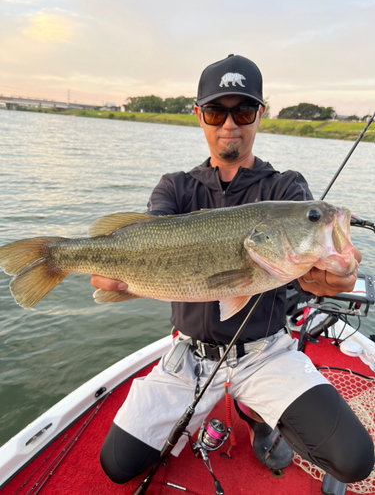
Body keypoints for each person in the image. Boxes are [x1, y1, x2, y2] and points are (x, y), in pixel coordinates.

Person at [92, 55, 374, 485]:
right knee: (117, 464)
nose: (229, 124)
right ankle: (195, 413)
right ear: (199, 115)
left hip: (266, 354)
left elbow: (314, 274)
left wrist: (337, 277)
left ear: (261, 113)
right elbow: (146, 237)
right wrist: (112, 276)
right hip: (188, 355)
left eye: (242, 110)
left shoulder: (286, 188)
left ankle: (263, 415)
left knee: (354, 459)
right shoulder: (174, 186)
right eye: (215, 111)